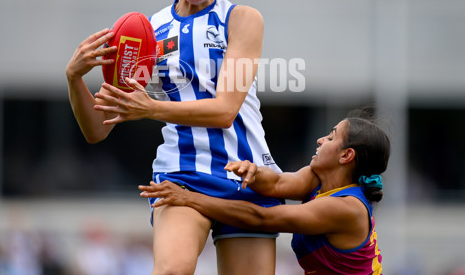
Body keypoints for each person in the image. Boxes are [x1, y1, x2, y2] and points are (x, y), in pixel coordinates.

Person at [65, 0, 283, 275]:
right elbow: (97, 129)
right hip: (181, 175)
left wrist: (150, 108)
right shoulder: (146, 32)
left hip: (247, 176)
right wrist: (74, 78)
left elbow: (225, 110)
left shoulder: (243, 20)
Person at [140, 109, 391, 275]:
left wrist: (190, 198)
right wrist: (253, 171)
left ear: (346, 155)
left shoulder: (345, 208)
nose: (320, 140)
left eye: (331, 138)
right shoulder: (316, 178)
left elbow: (262, 218)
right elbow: (277, 184)